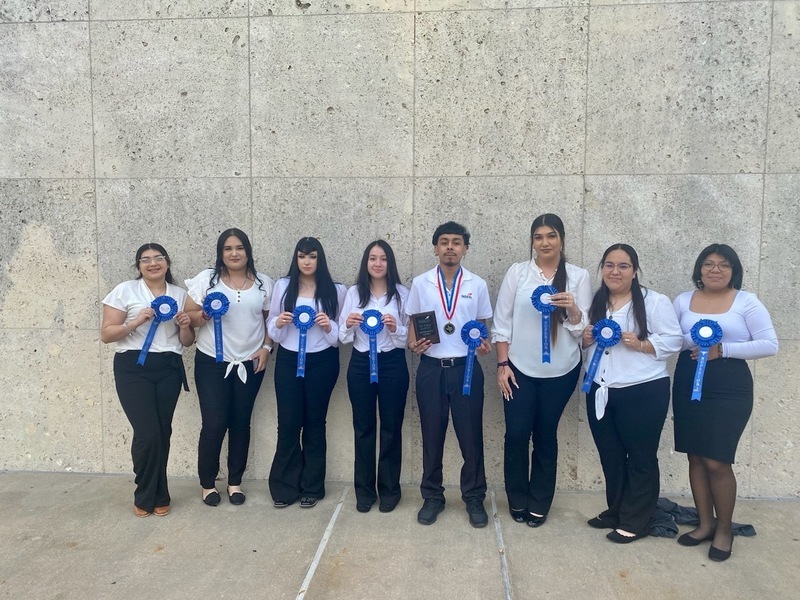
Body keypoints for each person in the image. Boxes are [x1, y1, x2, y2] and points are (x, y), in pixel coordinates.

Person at [672, 244, 778, 561]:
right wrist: (694, 340)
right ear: (699, 269)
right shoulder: (683, 300)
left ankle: (724, 530)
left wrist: (724, 349)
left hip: (730, 386)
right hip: (688, 381)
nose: (715, 270)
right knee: (695, 456)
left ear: (734, 270)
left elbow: (769, 344)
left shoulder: (747, 302)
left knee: (717, 459)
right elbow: (672, 339)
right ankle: (705, 524)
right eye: (708, 264)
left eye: (723, 264)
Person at [492, 214, 591, 527]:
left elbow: (583, 331)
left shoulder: (578, 276)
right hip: (518, 369)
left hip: (562, 372)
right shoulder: (518, 272)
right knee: (517, 434)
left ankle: (540, 501)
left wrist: (572, 308)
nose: (545, 242)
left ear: (561, 239)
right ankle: (517, 497)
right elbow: (502, 322)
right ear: (532, 241)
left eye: (551, 236)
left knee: (546, 435)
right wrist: (502, 364)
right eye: (538, 237)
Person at [582, 243, 682, 543]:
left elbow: (674, 340)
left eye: (623, 266)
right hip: (600, 388)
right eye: (609, 265)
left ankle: (637, 519)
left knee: (640, 457)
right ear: (602, 268)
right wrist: (584, 338)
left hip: (643, 390)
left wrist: (642, 344)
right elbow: (580, 341)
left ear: (635, 271)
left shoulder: (654, 302)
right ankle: (617, 509)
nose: (615, 271)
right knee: (610, 455)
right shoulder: (596, 301)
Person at [405, 221, 493, 528]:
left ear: (465, 248)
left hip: (466, 369)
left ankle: (474, 497)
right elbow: (413, 322)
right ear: (435, 248)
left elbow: (482, 326)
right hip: (431, 369)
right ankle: (432, 496)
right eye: (444, 242)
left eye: (456, 242)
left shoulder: (477, 284)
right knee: (432, 435)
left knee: (471, 436)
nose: (450, 247)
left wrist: (484, 344)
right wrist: (412, 344)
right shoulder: (421, 283)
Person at [101, 243, 195, 517]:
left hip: (169, 368)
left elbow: (187, 342)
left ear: (167, 262)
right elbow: (106, 334)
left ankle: (160, 493)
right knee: (147, 433)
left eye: (158, 258)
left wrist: (185, 326)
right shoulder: (125, 290)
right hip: (133, 368)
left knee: (163, 432)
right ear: (139, 265)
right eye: (146, 260)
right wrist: (135, 322)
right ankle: (145, 493)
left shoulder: (180, 295)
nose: (153, 263)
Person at [185, 229, 274, 507]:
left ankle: (235, 482)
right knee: (214, 423)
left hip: (250, 363)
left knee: (240, 423)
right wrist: (203, 314)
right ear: (220, 253)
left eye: (239, 248)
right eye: (227, 248)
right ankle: (208, 484)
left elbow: (270, 321)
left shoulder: (264, 283)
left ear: (248, 251)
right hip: (211, 362)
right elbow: (188, 316)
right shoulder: (207, 280)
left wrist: (267, 347)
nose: (234, 253)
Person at [267, 237, 346, 508]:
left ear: (319, 259)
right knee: (288, 423)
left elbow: (340, 337)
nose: (307, 261)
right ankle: (284, 487)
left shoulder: (336, 290)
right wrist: (279, 322)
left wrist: (328, 326)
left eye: (312, 256)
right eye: (302, 256)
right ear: (296, 259)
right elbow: (273, 329)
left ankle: (312, 486)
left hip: (323, 362)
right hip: (288, 361)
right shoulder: (283, 286)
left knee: (315, 423)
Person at [339, 240, 410, 513]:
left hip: (392, 363)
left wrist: (395, 328)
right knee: (363, 428)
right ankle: (365, 491)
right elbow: (342, 337)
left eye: (383, 259)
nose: (377, 263)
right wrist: (348, 324)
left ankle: (390, 491)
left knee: (391, 428)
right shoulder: (354, 293)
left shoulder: (401, 294)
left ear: (390, 263)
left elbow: (408, 339)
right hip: (360, 364)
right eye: (372, 258)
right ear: (365, 262)